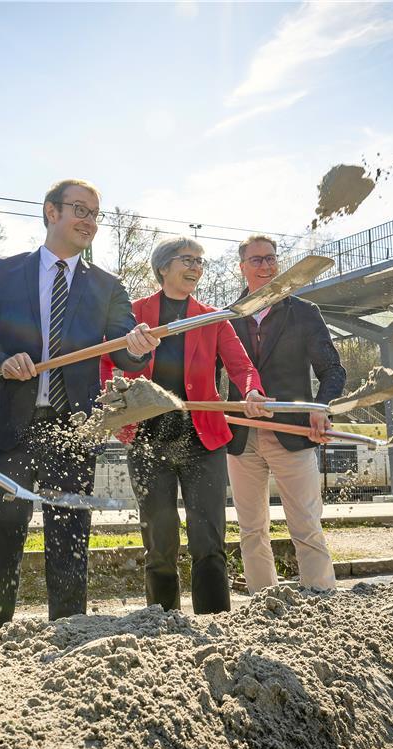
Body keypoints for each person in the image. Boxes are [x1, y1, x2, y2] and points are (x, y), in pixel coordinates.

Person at [0, 179, 158, 638]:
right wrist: (0, 363)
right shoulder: (0, 273)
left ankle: (68, 644)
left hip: (73, 434)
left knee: (70, 547)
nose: (90, 222)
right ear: (50, 212)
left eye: (96, 214)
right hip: (7, 434)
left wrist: (138, 345)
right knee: (2, 550)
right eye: (80, 209)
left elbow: (126, 353)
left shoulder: (107, 286)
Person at [102, 237, 270, 613]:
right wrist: (114, 398)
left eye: (200, 261)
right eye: (187, 260)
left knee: (208, 541)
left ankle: (214, 622)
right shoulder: (133, 315)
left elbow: (243, 369)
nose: (196, 267)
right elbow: (108, 366)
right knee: (159, 544)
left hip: (202, 439)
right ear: (163, 267)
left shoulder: (212, 317)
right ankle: (162, 622)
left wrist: (252, 392)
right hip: (148, 438)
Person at [225, 235, 346, 592]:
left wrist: (321, 408)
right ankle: (264, 603)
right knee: (250, 528)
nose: (266, 266)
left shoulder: (304, 313)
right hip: (242, 437)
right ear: (242, 266)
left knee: (306, 523)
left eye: (271, 259)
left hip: (294, 433)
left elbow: (333, 370)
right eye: (257, 260)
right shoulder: (228, 318)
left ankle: (323, 601)